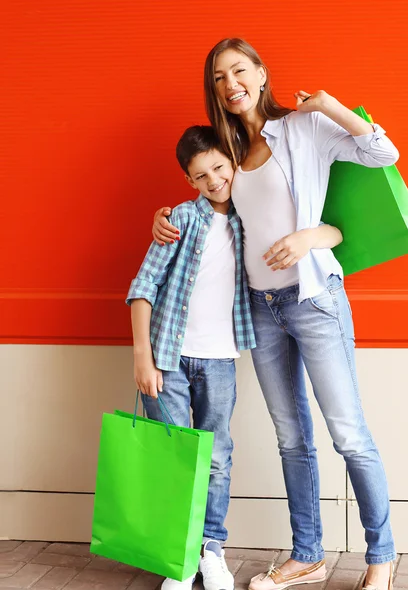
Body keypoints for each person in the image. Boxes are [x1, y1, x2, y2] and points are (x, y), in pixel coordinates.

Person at [151, 38, 400, 590]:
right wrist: (162, 216)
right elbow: (206, 207)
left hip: (313, 300)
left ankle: (381, 557)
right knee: (292, 437)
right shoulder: (228, 151)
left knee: (348, 434)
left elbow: (383, 153)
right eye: (218, 76)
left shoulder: (301, 130)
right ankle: (307, 554)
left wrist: (329, 107)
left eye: (239, 70)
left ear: (261, 74)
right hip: (262, 310)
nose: (230, 83)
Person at [127, 124, 343, 590]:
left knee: (217, 457)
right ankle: (177, 559)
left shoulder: (248, 220)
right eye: (201, 175)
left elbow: (321, 230)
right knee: (173, 458)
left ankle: (211, 550)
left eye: (220, 168)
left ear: (233, 162)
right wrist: (143, 359)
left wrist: (315, 236)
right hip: (168, 359)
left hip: (220, 361)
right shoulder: (181, 219)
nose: (214, 180)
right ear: (190, 181)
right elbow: (143, 287)